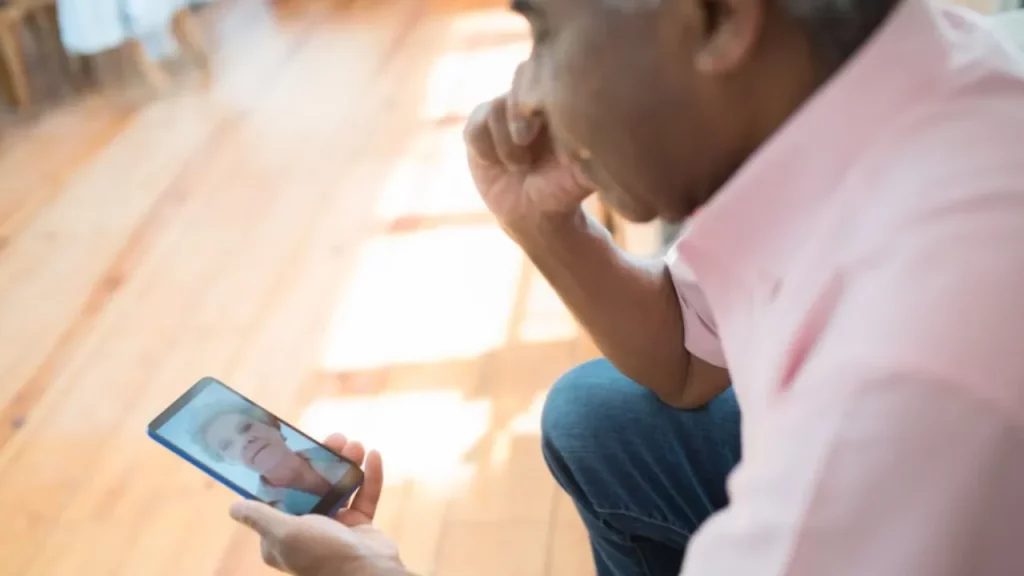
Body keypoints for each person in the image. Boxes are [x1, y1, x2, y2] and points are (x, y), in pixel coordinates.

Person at [229, 0, 1024, 574]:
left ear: (718, 18)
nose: (528, 90)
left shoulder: (898, 376)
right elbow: (689, 361)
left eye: (545, 29)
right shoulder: (914, 67)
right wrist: (545, 224)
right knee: (599, 416)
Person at [195, 405, 349, 512]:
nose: (245, 441)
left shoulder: (333, 456)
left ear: (271, 424)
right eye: (227, 445)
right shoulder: (270, 510)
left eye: (245, 427)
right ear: (228, 460)